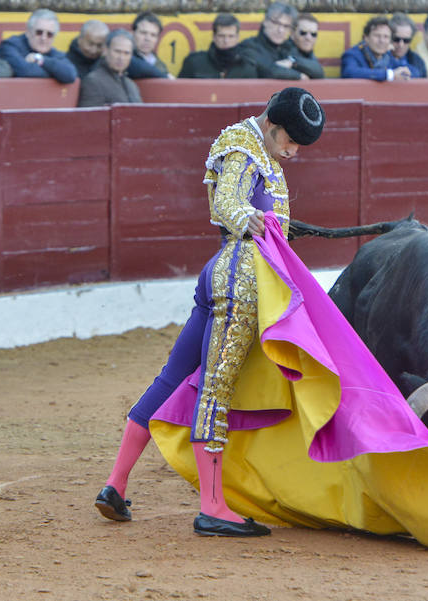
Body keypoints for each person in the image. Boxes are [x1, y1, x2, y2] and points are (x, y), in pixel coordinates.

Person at [95, 87, 325, 533]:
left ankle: (115, 484)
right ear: (274, 126)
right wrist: (251, 220)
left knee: (173, 376)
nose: (293, 151)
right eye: (291, 141)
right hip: (239, 279)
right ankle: (213, 507)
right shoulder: (244, 144)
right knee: (216, 389)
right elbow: (228, 205)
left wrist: (274, 229)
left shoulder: (257, 149)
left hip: (221, 271)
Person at [0, 9, 77, 83]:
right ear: (28, 31)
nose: (43, 38)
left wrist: (41, 60)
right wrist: (56, 74)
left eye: (49, 34)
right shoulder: (9, 46)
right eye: (39, 32)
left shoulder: (53, 53)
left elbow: (70, 74)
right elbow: (26, 72)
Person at [238, 2, 310, 80]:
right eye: (276, 23)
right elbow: (268, 71)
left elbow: (317, 70)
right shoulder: (248, 46)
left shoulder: (289, 47)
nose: (280, 30)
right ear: (265, 21)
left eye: (286, 26)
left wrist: (293, 63)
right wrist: (299, 76)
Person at [178, 13, 257, 79]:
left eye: (231, 36)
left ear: (237, 38)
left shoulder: (247, 68)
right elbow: (180, 93)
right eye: (221, 36)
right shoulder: (194, 63)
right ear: (214, 37)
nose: (226, 41)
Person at [78, 30, 142, 107]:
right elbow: (89, 117)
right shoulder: (93, 81)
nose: (121, 58)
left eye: (126, 53)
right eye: (117, 51)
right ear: (105, 50)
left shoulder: (131, 84)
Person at [341, 15, 411, 81]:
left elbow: (414, 72)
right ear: (365, 38)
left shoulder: (388, 56)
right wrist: (389, 74)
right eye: (377, 36)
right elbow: (350, 72)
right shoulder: (352, 55)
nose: (381, 40)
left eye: (386, 37)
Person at [128, 11, 174, 80]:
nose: (148, 39)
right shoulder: (125, 56)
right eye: (143, 33)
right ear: (132, 34)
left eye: (153, 35)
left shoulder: (160, 64)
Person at [388, 12, 425, 78]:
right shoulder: (379, 57)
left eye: (406, 40)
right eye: (396, 39)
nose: (401, 45)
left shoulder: (417, 61)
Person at [289, 12, 324, 79]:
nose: (308, 38)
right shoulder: (282, 49)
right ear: (292, 33)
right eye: (303, 33)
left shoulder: (310, 54)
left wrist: (293, 62)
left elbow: (319, 71)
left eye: (313, 34)